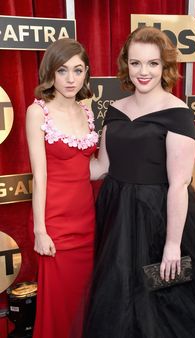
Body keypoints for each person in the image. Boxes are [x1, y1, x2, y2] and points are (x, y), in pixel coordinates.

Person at [81, 27, 195, 338]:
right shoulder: (114, 109)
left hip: (160, 217)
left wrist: (172, 245)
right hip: (116, 216)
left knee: (163, 305)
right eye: (136, 63)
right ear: (126, 65)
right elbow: (102, 167)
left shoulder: (177, 113)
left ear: (165, 67)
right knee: (119, 300)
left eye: (153, 63)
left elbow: (179, 185)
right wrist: (57, 158)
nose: (144, 72)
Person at [26, 38, 98, 338]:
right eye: (63, 70)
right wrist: (40, 231)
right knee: (59, 306)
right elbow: (38, 176)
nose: (71, 79)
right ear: (50, 73)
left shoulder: (87, 111)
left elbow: (91, 169)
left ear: (86, 73)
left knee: (86, 303)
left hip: (88, 223)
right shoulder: (37, 112)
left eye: (78, 70)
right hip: (55, 225)